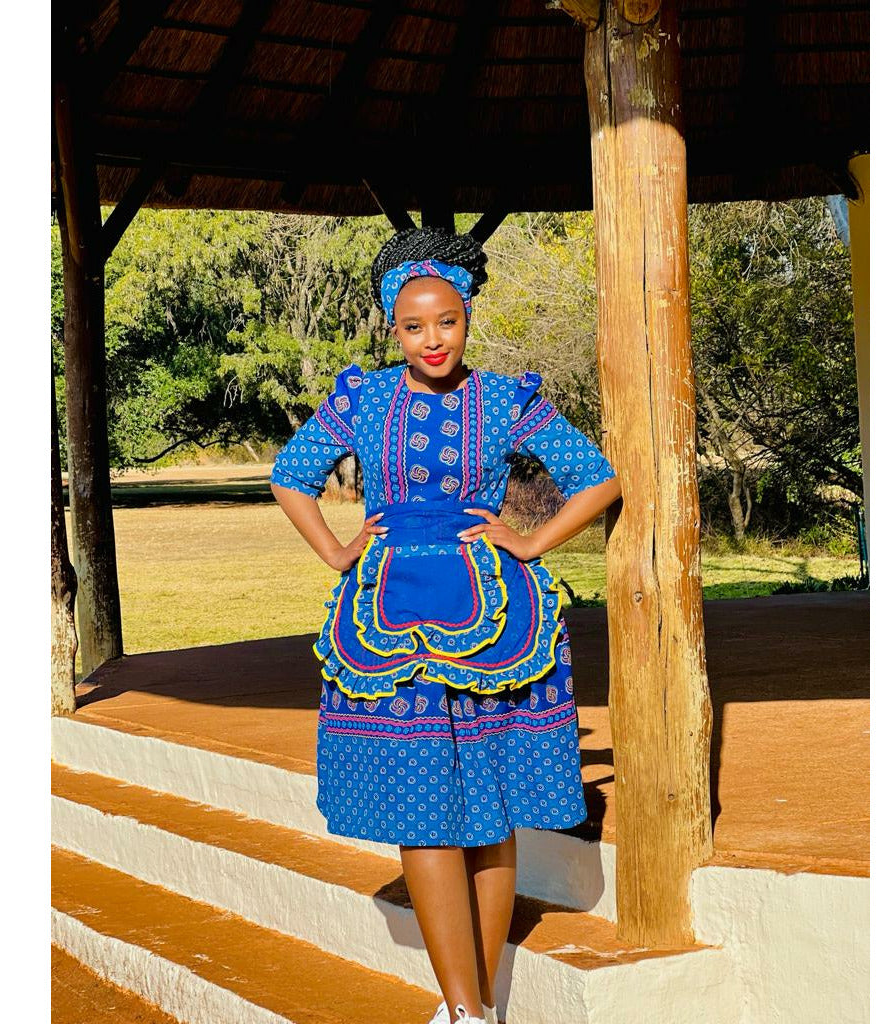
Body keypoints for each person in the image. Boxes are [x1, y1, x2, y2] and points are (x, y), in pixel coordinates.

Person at [269, 227, 622, 1024]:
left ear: (467, 318)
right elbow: (291, 475)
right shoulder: (361, 399)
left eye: (447, 322)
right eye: (414, 326)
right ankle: (463, 1007)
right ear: (394, 329)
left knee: (490, 813)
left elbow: (596, 479)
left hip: (492, 619)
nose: (432, 340)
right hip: (385, 615)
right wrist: (335, 551)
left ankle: (478, 1007)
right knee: (419, 812)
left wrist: (529, 541)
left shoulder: (506, 400)